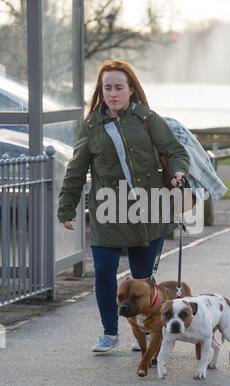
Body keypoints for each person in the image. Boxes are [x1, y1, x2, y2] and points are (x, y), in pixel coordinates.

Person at [57, 60, 189, 352]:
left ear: (131, 90)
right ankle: (109, 332)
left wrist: (179, 171)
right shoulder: (91, 126)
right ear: (101, 92)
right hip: (108, 210)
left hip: (148, 212)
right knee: (104, 271)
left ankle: (142, 330)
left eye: (119, 87)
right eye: (107, 88)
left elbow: (174, 150)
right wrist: (67, 207)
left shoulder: (147, 119)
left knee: (141, 280)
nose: (113, 93)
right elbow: (76, 170)